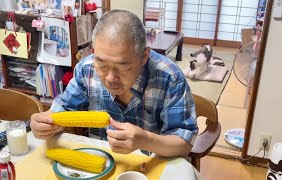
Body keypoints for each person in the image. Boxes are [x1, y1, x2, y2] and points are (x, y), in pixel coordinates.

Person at [30, 10, 198, 157]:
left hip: (151, 161)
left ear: (144, 56)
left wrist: (146, 140)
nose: (110, 78)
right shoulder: (86, 69)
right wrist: (46, 123)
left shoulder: (169, 77)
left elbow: (184, 143)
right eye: (102, 65)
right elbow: (63, 110)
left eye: (123, 67)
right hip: (101, 159)